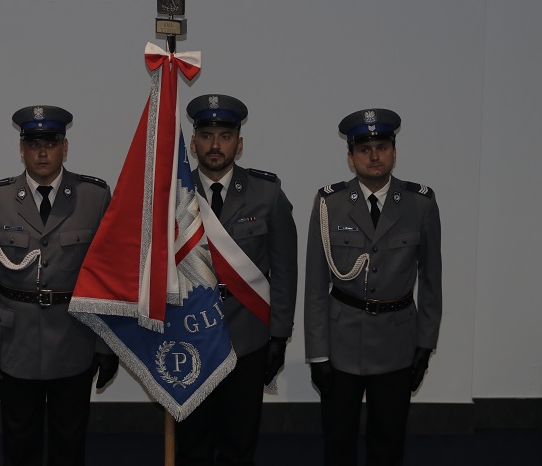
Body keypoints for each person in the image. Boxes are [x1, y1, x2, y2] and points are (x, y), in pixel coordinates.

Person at [0, 105, 119, 466]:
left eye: (50, 143)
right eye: (33, 143)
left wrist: (108, 343)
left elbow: (108, 277)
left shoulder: (94, 197)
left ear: (65, 147)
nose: (42, 152)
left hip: (74, 339)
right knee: (20, 444)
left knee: (70, 443)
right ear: (20, 149)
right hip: (16, 343)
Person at [304, 108, 442, 466]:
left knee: (388, 442)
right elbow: (316, 286)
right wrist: (318, 353)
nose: (375, 156)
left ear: (395, 152)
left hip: (397, 342)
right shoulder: (328, 204)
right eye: (365, 150)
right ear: (350, 158)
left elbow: (431, 281)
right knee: (339, 443)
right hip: (341, 342)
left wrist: (425, 344)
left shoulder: (420, 204)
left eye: (382, 147)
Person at [176, 94, 299, 466]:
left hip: (246, 339)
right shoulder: (172, 196)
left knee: (239, 444)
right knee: (193, 445)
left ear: (239, 144)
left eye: (225, 136)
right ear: (194, 143)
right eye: (207, 135)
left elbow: (285, 270)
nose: (215, 145)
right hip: (191, 338)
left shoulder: (268, 194)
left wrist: (278, 336)